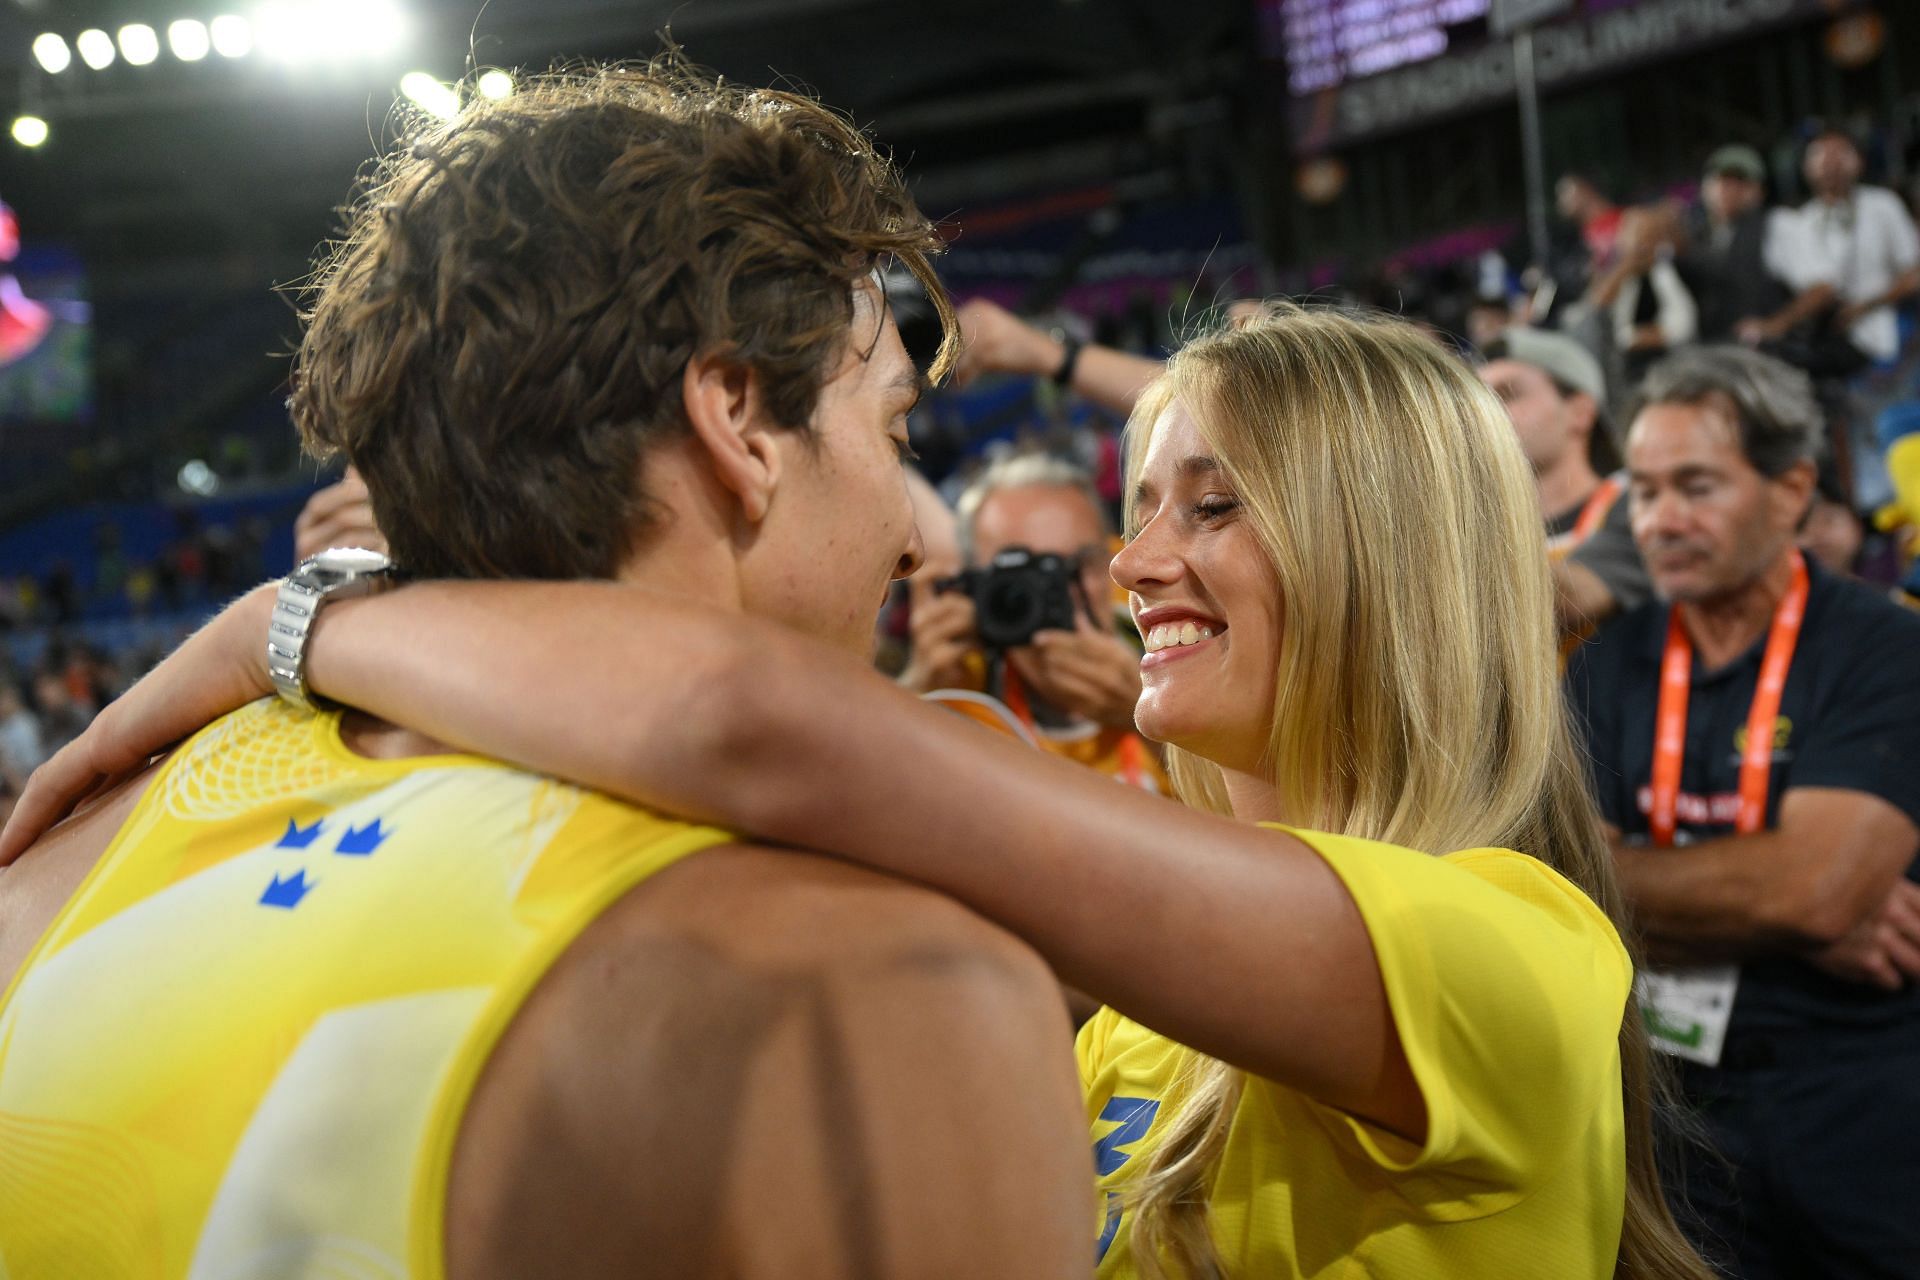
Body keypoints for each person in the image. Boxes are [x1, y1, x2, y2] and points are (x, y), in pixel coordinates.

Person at [15, 307, 1718, 1279]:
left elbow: (763, 728)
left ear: (1387, 550)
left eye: (1214, 507)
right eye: (1140, 505)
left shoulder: (1519, 956)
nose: (1133, 564)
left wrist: (300, 625)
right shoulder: (1127, 1015)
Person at [0, 61, 1093, 1277]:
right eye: (891, 428)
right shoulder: (883, 997)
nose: (906, 533)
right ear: (737, 421)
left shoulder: (58, 862)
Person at [1566, 345, 1920, 1277]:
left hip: (1864, 1104)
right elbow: (1560, 899)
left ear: (1792, 487)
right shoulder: (1603, 666)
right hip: (1674, 1113)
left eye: (1695, 487)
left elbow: (1813, 888)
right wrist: (1785, 911)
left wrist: (1637, 882)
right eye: (1641, 491)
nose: (1659, 520)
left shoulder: (1884, 648)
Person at [902, 452, 1167, 790]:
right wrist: (916, 699)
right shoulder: (960, 694)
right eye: (1024, 574)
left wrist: (1151, 718)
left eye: (1078, 564)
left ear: (1111, 562)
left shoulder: (1166, 641)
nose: (1059, 593)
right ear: (976, 589)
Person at [1479, 327, 1651, 636]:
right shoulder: (1487, 521)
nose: (1485, 413)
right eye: (1480, 400)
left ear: (1580, 412)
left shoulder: (1641, 502)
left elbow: (1571, 599)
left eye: (1507, 394)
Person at [1677, 145, 1789, 346]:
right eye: (1721, 181)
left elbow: (1818, 283)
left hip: (1759, 350)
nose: (1729, 190)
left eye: (1741, 183)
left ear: (1760, 191)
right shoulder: (1689, 233)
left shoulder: (1776, 226)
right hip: (1705, 348)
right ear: (1704, 187)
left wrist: (1777, 324)